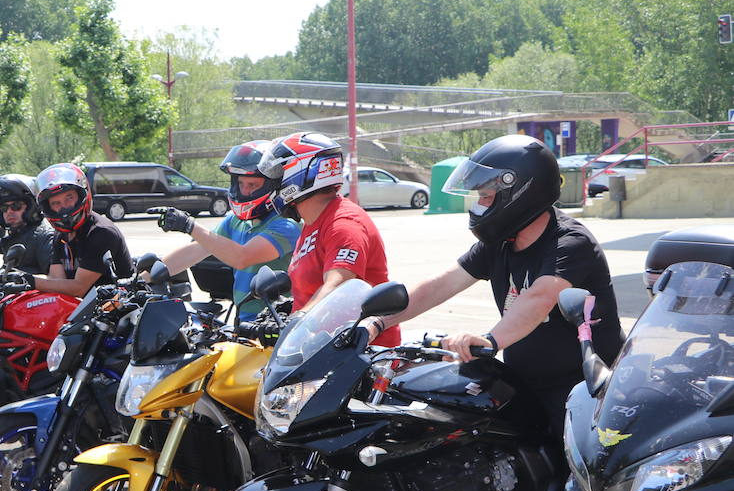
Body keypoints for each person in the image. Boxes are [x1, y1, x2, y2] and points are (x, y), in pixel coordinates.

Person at [367, 134, 622, 431]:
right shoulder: (501, 241)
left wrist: (489, 340)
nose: (479, 205)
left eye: (486, 196)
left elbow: (539, 299)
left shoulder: (570, 243)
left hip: (583, 390)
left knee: (570, 472)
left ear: (522, 192)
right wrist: (376, 322)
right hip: (523, 381)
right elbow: (440, 285)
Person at [257, 132, 401, 346]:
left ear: (301, 173)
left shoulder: (344, 223)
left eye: (278, 175)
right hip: (323, 346)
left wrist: (298, 320)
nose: (271, 184)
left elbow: (339, 285)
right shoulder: (313, 221)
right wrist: (290, 308)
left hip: (363, 353)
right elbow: (316, 288)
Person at [155, 141, 301, 321]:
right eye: (241, 183)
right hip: (244, 320)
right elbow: (196, 249)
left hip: (275, 324)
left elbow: (242, 257)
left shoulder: (287, 225)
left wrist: (189, 225)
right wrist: (145, 279)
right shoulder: (236, 220)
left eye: (253, 185)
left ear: (273, 186)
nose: (245, 191)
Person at [9, 163, 130, 298]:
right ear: (48, 207)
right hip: (83, 311)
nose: (64, 207)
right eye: (56, 203)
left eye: (69, 198)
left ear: (81, 195)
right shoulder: (60, 236)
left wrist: (30, 280)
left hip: (117, 309)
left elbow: (79, 288)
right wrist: (16, 279)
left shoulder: (101, 232)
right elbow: (56, 280)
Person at [0, 174, 54, 275]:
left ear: (31, 206)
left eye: (16, 206)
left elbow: (54, 280)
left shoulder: (44, 237)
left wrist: (26, 280)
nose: (9, 212)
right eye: (4, 208)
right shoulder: (13, 237)